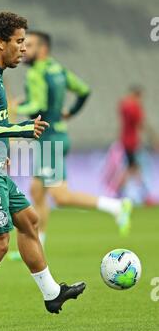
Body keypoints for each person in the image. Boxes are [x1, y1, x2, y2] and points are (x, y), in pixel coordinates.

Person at [0, 12, 86, 331]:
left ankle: (52, 294)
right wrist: (18, 129)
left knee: (29, 220)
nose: (24, 48)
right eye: (19, 41)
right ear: (0, 42)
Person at [8, 31, 132, 261]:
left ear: (43, 49)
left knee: (61, 196)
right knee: (37, 191)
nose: (24, 49)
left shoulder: (37, 72)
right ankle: (38, 244)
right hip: (58, 136)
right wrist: (70, 112)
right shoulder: (58, 69)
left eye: (30, 45)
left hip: (50, 139)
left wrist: (17, 107)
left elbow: (39, 105)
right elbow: (84, 90)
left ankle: (116, 206)